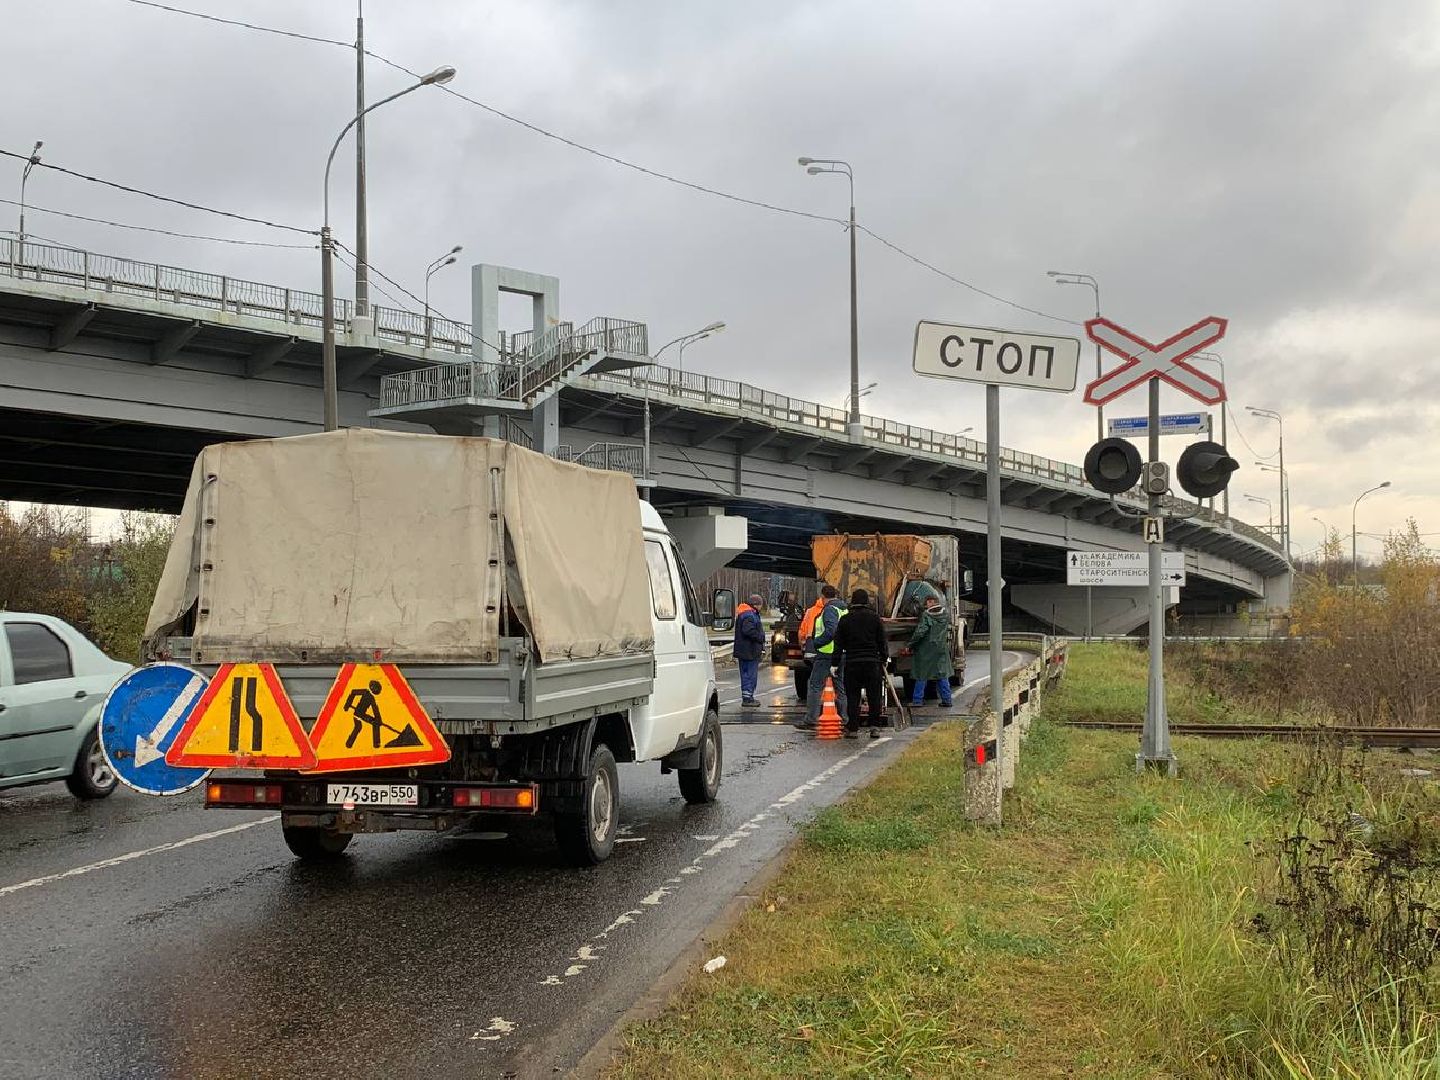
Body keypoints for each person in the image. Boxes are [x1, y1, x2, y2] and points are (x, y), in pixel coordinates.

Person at [833, 587, 889, 738]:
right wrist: (883, 658)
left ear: (853, 602)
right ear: (866, 601)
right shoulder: (874, 618)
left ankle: (853, 729)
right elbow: (882, 640)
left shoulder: (845, 619)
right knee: (874, 695)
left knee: (852, 696)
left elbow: (838, 643)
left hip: (852, 662)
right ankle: (874, 726)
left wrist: (834, 663)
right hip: (872, 662)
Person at [804, 585, 848, 729]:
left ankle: (811, 718)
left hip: (826, 653)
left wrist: (817, 642)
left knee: (815, 686)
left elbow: (831, 631)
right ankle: (844, 717)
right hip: (841, 653)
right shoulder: (844, 609)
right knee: (840, 686)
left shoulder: (829, 609)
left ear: (823, 596)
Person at [909, 594, 954, 708]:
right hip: (941, 649)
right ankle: (947, 700)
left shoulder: (927, 615)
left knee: (922, 674)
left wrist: (911, 644)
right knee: (941, 674)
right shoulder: (945, 614)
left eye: (928, 602)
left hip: (926, 649)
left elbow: (920, 632)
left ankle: (917, 700)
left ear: (930, 602)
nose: (927, 604)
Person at [732, 594, 767, 707]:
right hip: (750, 650)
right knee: (750, 675)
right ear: (756, 604)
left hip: (744, 650)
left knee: (745, 674)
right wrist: (760, 637)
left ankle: (747, 696)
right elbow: (748, 631)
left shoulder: (744, 613)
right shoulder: (749, 615)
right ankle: (748, 698)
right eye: (760, 604)